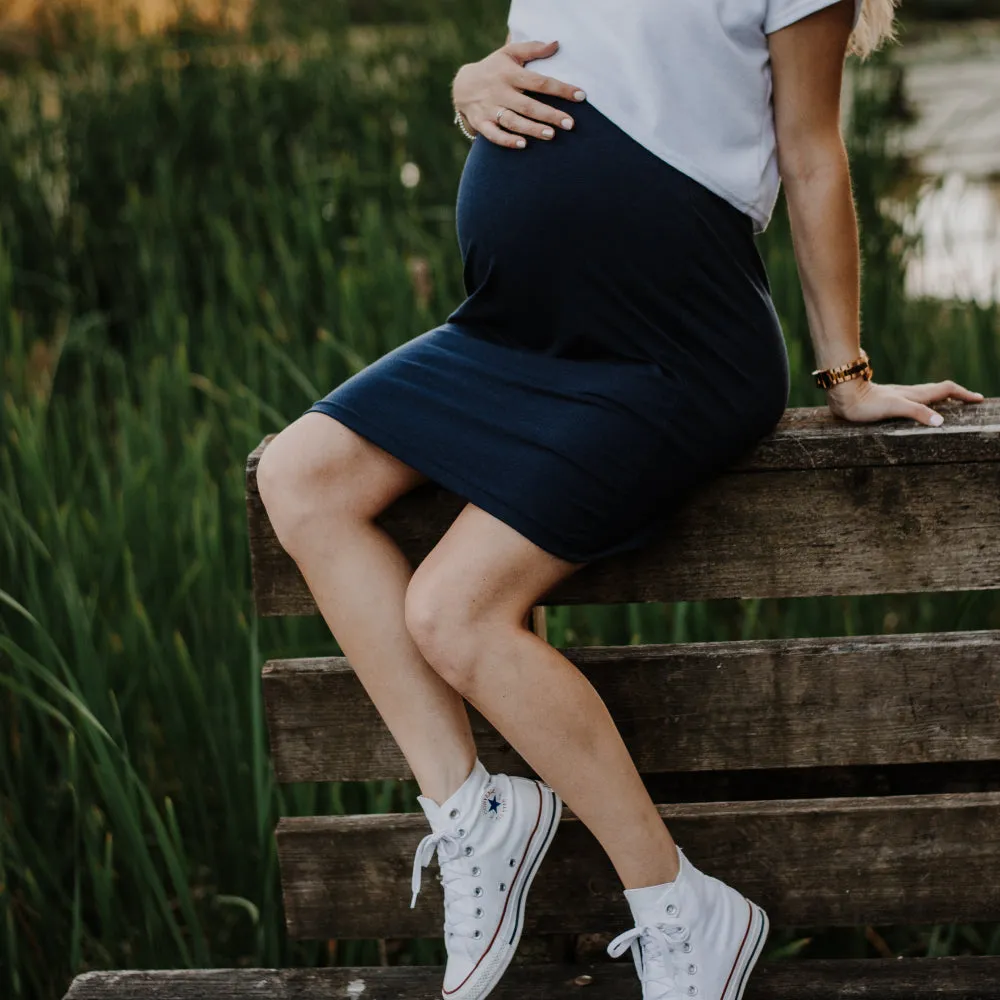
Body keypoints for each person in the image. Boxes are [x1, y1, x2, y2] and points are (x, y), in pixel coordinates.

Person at [256, 1, 984, 997]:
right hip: (513, 333)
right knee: (298, 475)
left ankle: (679, 904)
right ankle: (472, 809)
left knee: (452, 611)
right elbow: (567, 62)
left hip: (669, 345)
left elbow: (811, 154)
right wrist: (467, 89)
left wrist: (846, 373)